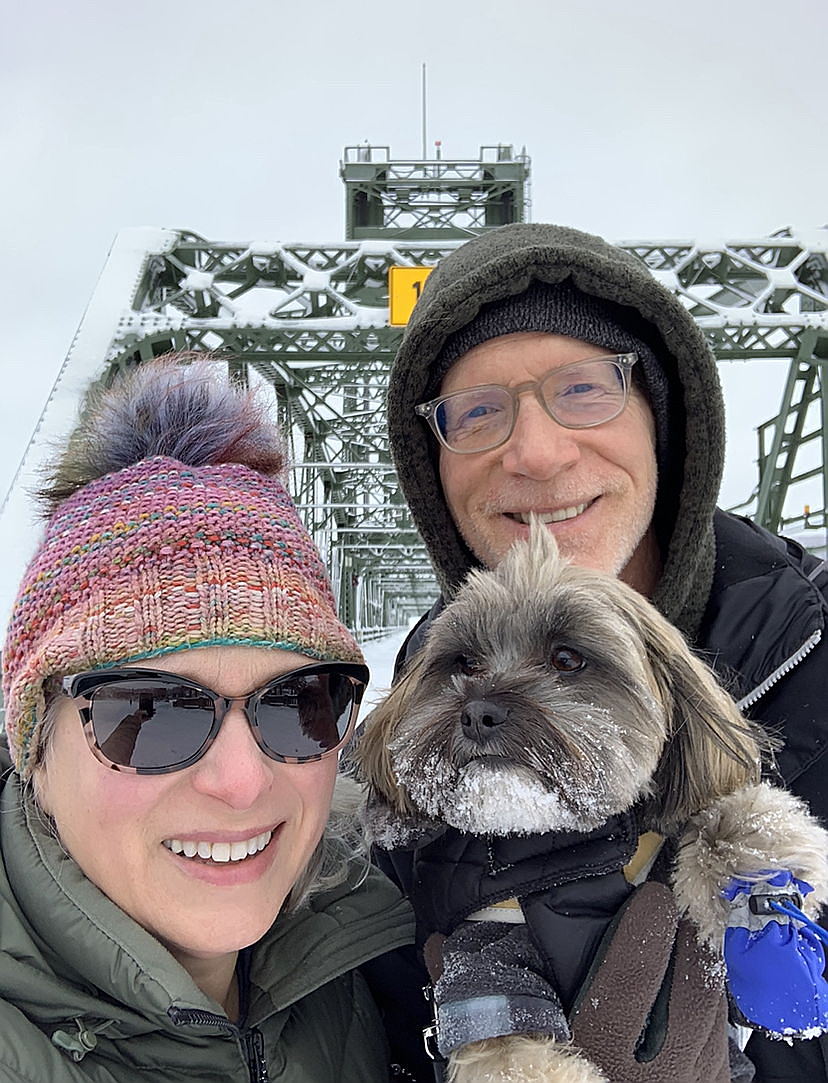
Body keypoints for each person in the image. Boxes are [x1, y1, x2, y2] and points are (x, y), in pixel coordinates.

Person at [382, 223, 828, 1081]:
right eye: (477, 412)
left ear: (665, 420)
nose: (536, 452)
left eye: (584, 389)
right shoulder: (398, 727)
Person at [0, 357, 414, 1082]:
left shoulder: (378, 952)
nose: (242, 780)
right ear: (34, 746)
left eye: (299, 703)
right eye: (148, 713)